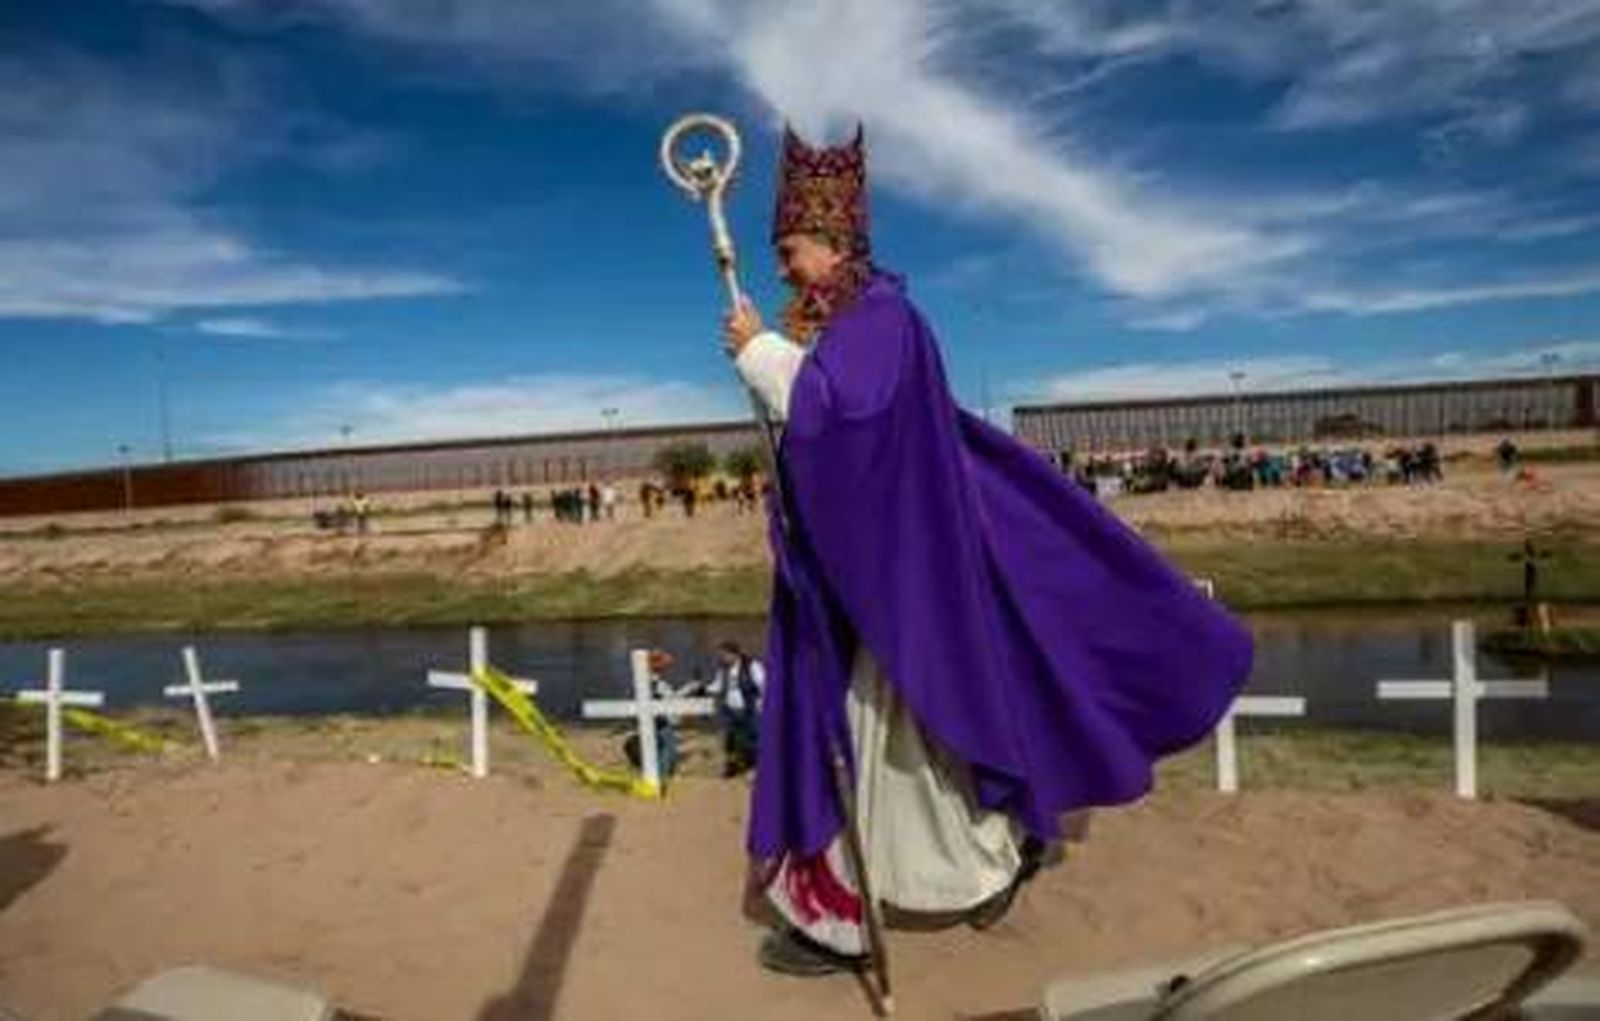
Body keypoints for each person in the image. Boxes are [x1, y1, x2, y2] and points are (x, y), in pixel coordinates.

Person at [721, 125, 1253, 976]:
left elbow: (848, 424)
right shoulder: (867, 322)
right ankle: (945, 875)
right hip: (898, 574)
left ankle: (909, 894)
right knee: (917, 733)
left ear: (833, 242)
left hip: (908, 588)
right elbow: (847, 433)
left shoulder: (880, 322)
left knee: (899, 736)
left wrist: (763, 356)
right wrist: (779, 370)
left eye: (790, 249)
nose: (784, 266)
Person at [706, 640, 765, 778]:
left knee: (752, 740)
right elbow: (718, 686)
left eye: (724, 654)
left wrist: (761, 705)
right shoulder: (724, 668)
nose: (722, 657)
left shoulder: (751, 666)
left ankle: (755, 769)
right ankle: (732, 767)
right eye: (721, 655)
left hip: (750, 709)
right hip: (730, 710)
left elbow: (764, 685)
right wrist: (703, 689)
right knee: (730, 740)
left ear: (734, 654)